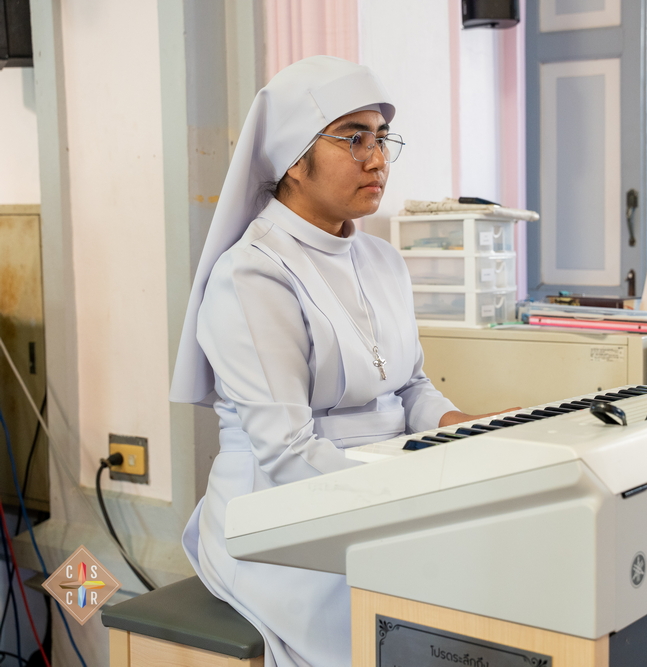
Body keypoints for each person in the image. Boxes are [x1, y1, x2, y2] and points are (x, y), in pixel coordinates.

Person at [169, 57, 498, 666]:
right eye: (354, 139)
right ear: (295, 159)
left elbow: (410, 387)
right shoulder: (252, 276)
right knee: (417, 624)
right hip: (279, 521)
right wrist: (411, 499)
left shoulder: (383, 260)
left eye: (382, 139)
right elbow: (286, 452)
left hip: (379, 493)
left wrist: (469, 430)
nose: (377, 160)